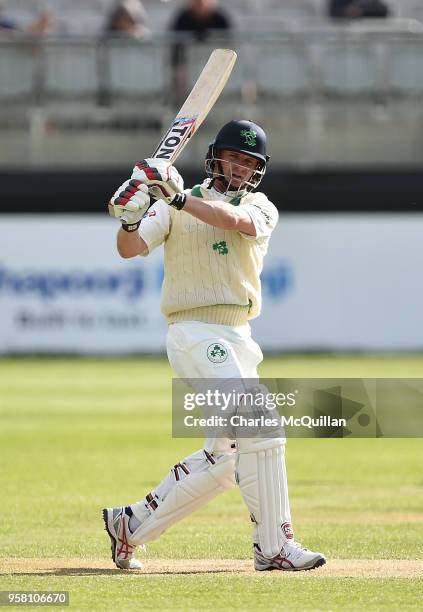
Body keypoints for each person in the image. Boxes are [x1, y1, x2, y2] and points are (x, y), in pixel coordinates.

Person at [102, 119, 326, 572]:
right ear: (216, 156)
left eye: (250, 162)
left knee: (227, 461)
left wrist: (177, 197)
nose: (241, 169)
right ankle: (274, 547)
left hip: (238, 337)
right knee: (259, 422)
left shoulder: (260, 206)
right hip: (193, 332)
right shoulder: (171, 207)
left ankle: (131, 524)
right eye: (235, 158)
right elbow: (128, 249)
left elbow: (233, 220)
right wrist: (131, 217)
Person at [169, 0, 232, 106]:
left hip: (216, 70)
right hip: (188, 72)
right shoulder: (182, 19)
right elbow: (175, 52)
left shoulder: (220, 19)